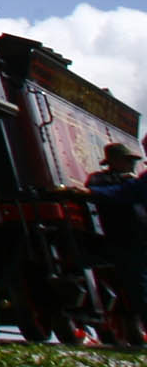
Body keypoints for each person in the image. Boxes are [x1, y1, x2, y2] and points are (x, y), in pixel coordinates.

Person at [89, 143, 147, 342]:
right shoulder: (100, 180)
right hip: (124, 239)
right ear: (114, 162)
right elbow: (121, 193)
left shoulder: (134, 182)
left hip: (140, 238)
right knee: (138, 286)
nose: (132, 164)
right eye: (128, 160)